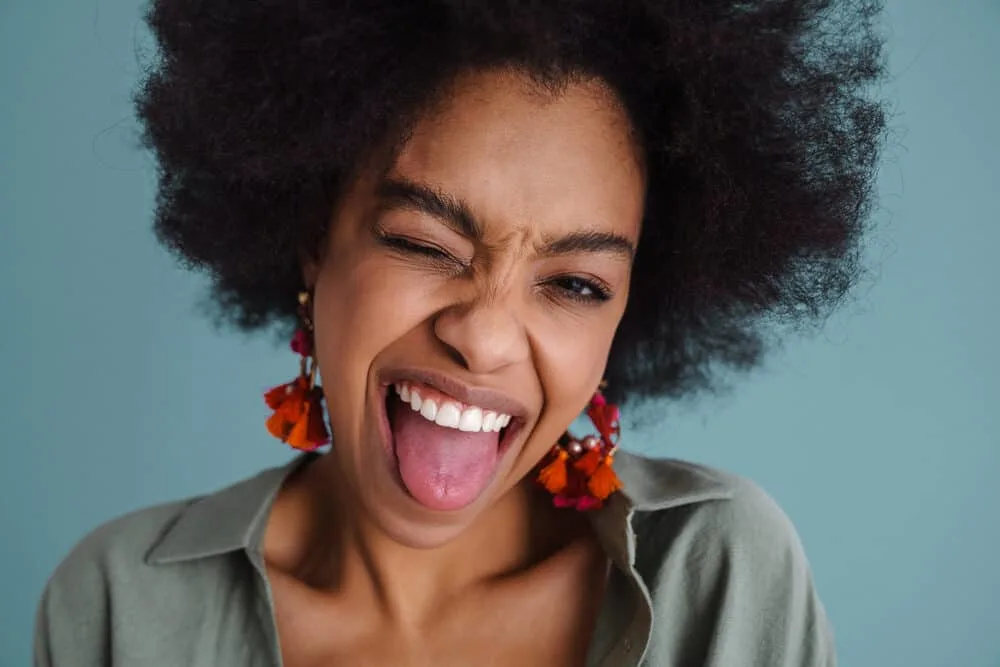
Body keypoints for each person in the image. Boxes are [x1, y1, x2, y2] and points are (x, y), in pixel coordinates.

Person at [34, 1, 886, 665]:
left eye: (577, 284)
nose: (484, 337)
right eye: (420, 243)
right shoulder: (120, 602)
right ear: (313, 244)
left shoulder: (722, 572)